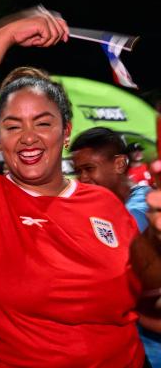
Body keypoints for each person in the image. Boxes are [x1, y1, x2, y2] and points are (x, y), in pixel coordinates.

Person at [0, 7, 158, 367]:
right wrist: (5, 32)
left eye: (43, 123)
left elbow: (145, 297)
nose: (28, 137)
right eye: (13, 126)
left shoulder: (106, 203)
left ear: (65, 133)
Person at [70, 127, 161, 367]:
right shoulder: (109, 208)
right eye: (78, 171)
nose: (84, 179)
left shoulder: (138, 211)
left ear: (120, 164)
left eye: (89, 168)